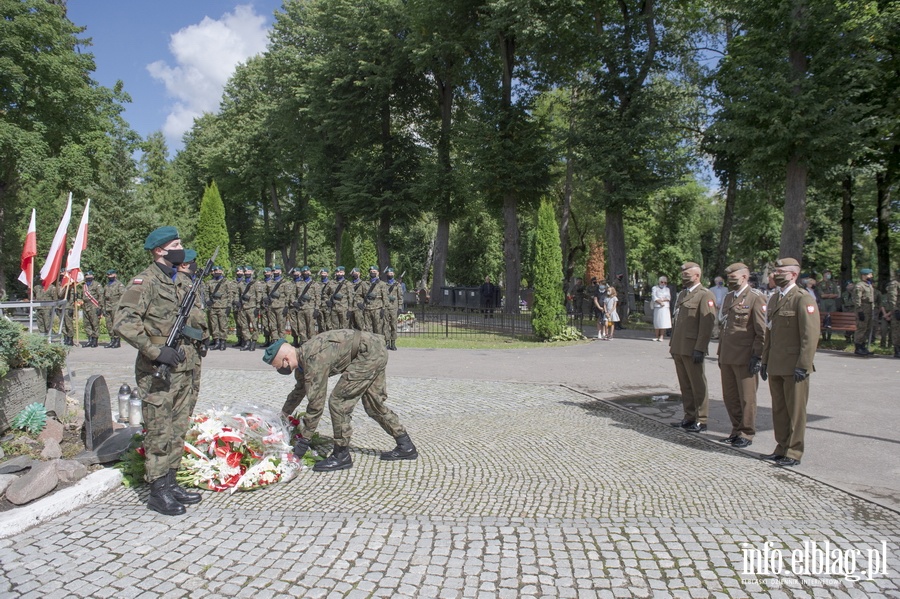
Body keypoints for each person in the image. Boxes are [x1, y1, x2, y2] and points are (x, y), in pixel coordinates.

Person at [114, 226, 204, 515]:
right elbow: (124, 321)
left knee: (178, 427)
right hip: (158, 369)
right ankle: (157, 491)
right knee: (158, 429)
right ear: (159, 251)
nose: (181, 248)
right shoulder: (145, 281)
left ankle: (172, 481)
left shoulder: (180, 280)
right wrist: (154, 350)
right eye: (176, 244)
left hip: (183, 367)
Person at [265, 332, 417, 471]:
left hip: (368, 353)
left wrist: (304, 440)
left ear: (285, 360)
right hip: (373, 348)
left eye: (275, 365)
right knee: (373, 404)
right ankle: (405, 445)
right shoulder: (302, 363)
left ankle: (341, 455)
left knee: (338, 401)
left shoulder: (313, 359)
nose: (276, 368)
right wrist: (283, 415)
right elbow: (299, 391)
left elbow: (316, 403)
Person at [759, 257, 820, 467]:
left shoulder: (803, 298)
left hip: (795, 366)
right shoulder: (775, 299)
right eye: (775, 271)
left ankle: (794, 452)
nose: (776, 274)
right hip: (776, 363)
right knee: (779, 410)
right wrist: (765, 360)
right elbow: (770, 332)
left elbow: (810, 336)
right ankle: (781, 447)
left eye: (781, 271)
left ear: (793, 274)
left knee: (795, 412)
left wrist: (803, 365)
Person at [717, 263, 767, 448]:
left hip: (746, 356)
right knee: (730, 396)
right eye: (728, 278)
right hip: (727, 355)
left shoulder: (756, 298)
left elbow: (762, 331)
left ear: (744, 277)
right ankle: (736, 429)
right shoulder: (730, 297)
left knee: (747, 398)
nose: (731, 281)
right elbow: (725, 327)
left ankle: (747, 433)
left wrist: (758, 356)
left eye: (734, 278)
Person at [669, 262, 716, 433]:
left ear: (697, 276)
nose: (684, 277)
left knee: (698, 384)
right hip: (679, 346)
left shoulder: (705, 295)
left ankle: (701, 419)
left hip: (692, 347)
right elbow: (677, 321)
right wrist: (672, 344)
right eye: (683, 274)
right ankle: (689, 416)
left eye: (687, 274)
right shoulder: (682, 294)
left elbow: (707, 324)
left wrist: (700, 348)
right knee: (685, 384)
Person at [205, 265, 230, 350]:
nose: (217, 272)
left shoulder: (226, 282)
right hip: (213, 306)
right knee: (214, 325)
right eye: (216, 271)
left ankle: (223, 342)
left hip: (223, 306)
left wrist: (229, 306)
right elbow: (206, 292)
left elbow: (230, 294)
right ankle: (216, 341)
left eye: (219, 271)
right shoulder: (209, 282)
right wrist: (207, 300)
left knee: (223, 325)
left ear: (222, 272)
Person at [852, 267, 876, 356]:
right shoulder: (860, 286)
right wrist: (859, 311)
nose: (871, 276)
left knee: (867, 328)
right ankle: (858, 347)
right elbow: (857, 299)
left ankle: (863, 346)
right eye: (870, 274)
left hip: (869, 308)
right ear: (864, 275)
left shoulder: (868, 284)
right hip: (863, 308)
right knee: (861, 328)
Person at [360, 266, 389, 339]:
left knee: (378, 328)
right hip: (367, 309)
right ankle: (369, 345)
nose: (372, 273)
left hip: (377, 309)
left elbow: (385, 297)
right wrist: (360, 303)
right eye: (371, 271)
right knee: (368, 328)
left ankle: (379, 345)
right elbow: (359, 295)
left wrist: (384, 308)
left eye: (374, 271)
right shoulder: (364, 283)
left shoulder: (382, 284)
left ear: (378, 273)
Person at [102, 269, 126, 348]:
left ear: (115, 275)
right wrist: (103, 308)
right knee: (109, 324)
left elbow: (123, 296)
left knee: (115, 324)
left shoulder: (119, 285)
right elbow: (104, 298)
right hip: (108, 307)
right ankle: (112, 339)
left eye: (111, 275)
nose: (109, 277)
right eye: (108, 275)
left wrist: (121, 308)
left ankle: (117, 340)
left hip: (116, 307)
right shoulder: (106, 286)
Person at [326, 266, 353, 331]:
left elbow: (351, 297)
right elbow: (325, 293)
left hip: (344, 309)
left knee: (345, 328)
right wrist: (327, 301)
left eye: (340, 272)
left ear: (343, 273)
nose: (339, 274)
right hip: (333, 308)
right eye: (337, 272)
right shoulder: (331, 283)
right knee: (335, 328)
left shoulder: (347, 284)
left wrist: (350, 309)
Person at [80, 271, 102, 348]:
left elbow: (100, 296)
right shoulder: (84, 286)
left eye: (90, 275)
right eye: (87, 276)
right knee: (87, 323)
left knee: (95, 324)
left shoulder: (97, 285)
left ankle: (95, 340)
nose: (88, 277)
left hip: (94, 306)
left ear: (93, 276)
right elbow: (82, 296)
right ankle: (90, 339)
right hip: (85, 306)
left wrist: (100, 308)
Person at [384, 267, 403, 350]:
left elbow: (400, 297)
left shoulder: (397, 285)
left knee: (393, 325)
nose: (390, 275)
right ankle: (387, 342)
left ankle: (393, 343)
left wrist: (400, 307)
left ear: (394, 274)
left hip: (394, 308)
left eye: (391, 273)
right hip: (385, 307)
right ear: (387, 274)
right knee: (385, 325)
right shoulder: (384, 284)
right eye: (389, 273)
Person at [818, 269, 840, 340]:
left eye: (829, 273)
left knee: (831, 318)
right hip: (823, 303)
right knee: (823, 318)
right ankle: (824, 336)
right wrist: (830, 295)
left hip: (832, 303)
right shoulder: (820, 284)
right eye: (827, 273)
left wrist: (827, 295)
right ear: (823, 274)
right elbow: (822, 295)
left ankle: (829, 336)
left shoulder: (833, 284)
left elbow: (836, 294)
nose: (828, 275)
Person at [651, 276, 671, 341]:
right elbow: (654, 297)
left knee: (663, 322)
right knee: (657, 321)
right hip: (657, 306)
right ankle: (656, 336)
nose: (663, 283)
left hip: (665, 307)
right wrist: (659, 302)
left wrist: (662, 300)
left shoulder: (667, 289)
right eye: (662, 282)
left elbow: (668, 298)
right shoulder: (655, 288)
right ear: (659, 282)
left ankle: (661, 336)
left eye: (665, 282)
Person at [886, 267, 900, 358]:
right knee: (897, 330)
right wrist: (896, 310)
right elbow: (892, 298)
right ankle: (897, 350)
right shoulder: (895, 284)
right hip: (897, 310)